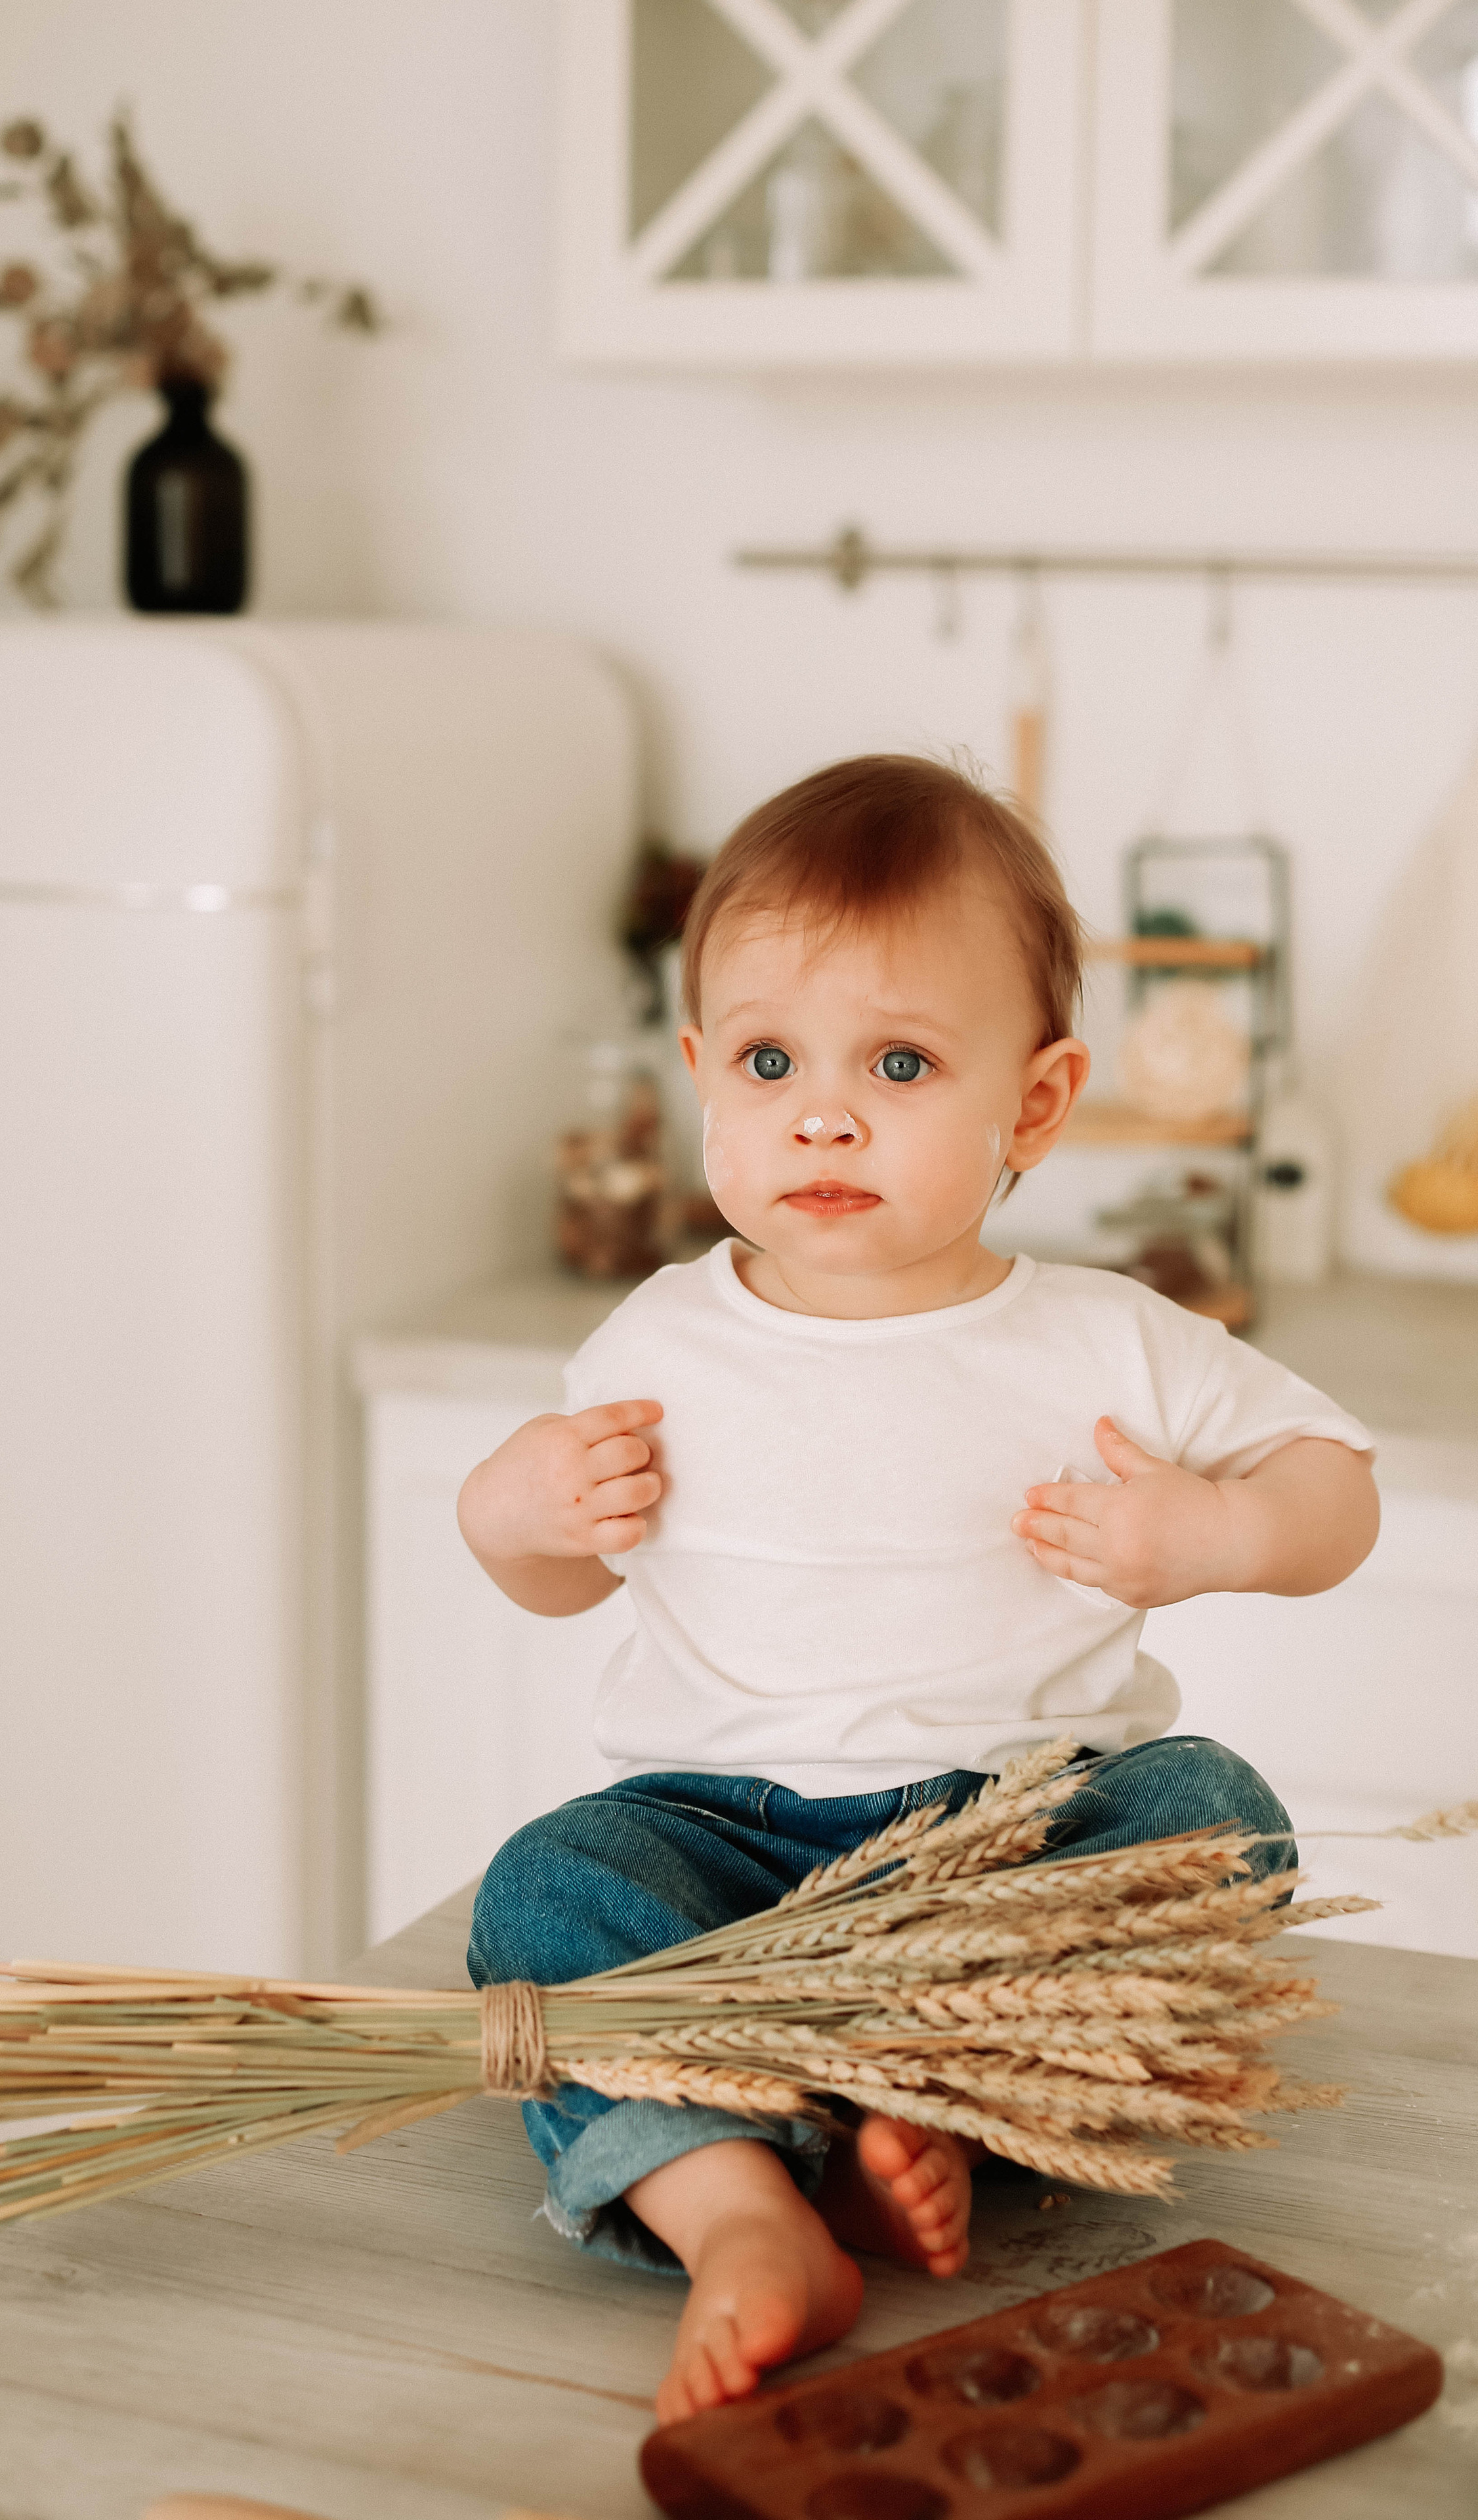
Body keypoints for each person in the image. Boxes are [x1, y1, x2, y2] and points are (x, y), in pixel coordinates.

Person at [455, 755, 1378, 2424]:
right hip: (724, 1851)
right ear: (698, 1080)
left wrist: (1219, 1539)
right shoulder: (658, 1338)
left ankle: (929, 2120)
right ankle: (746, 2216)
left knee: (1210, 1809)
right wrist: (510, 1511)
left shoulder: (1104, 1337)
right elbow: (554, 1588)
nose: (822, 1110)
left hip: (1014, 1846)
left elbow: (1335, 1494)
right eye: (766, 1060)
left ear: (1031, 1104)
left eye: (896, 1062)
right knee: (545, 1891)